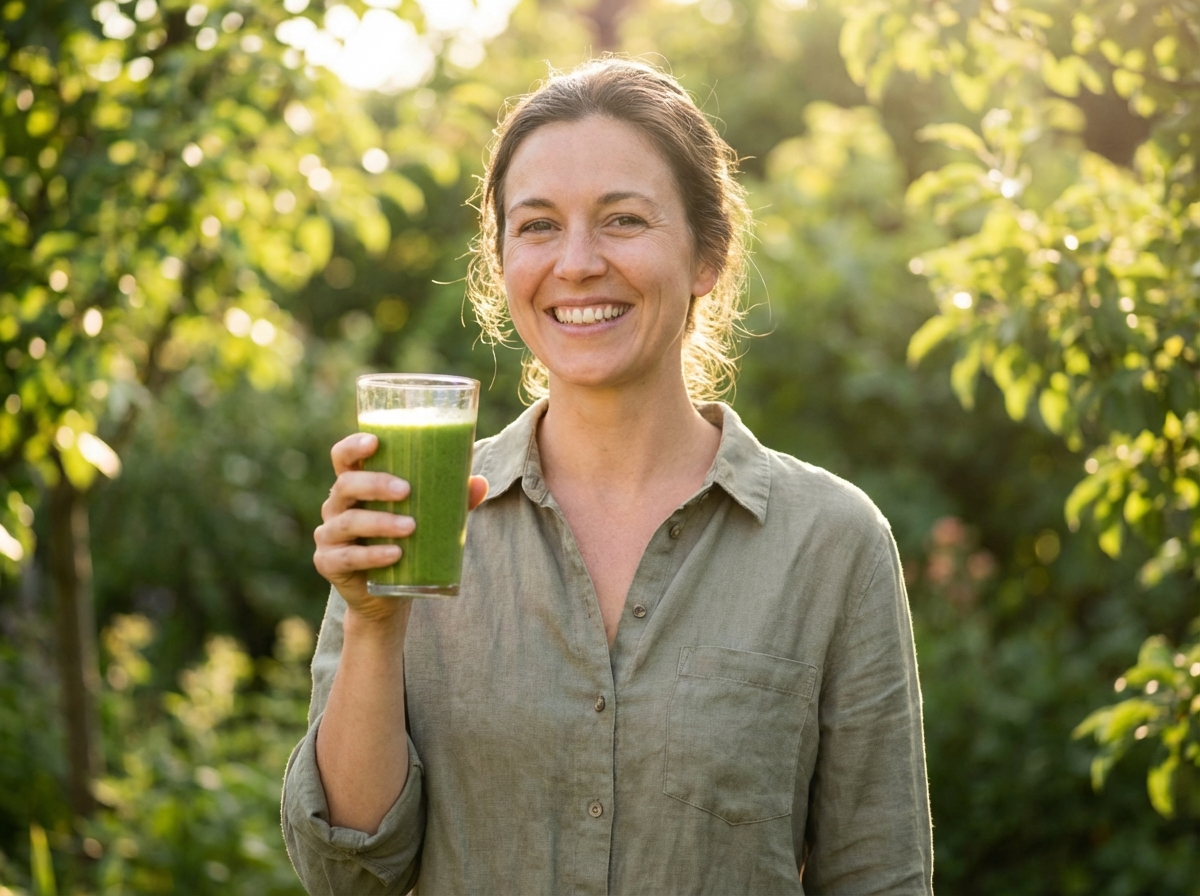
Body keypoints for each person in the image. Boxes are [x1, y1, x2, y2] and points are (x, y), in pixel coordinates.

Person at [282, 57, 933, 895]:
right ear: (502, 261)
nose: (579, 262)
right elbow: (349, 878)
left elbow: (879, 878)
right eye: (539, 225)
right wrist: (373, 627)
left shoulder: (831, 543)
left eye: (623, 220)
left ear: (708, 255)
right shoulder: (413, 517)